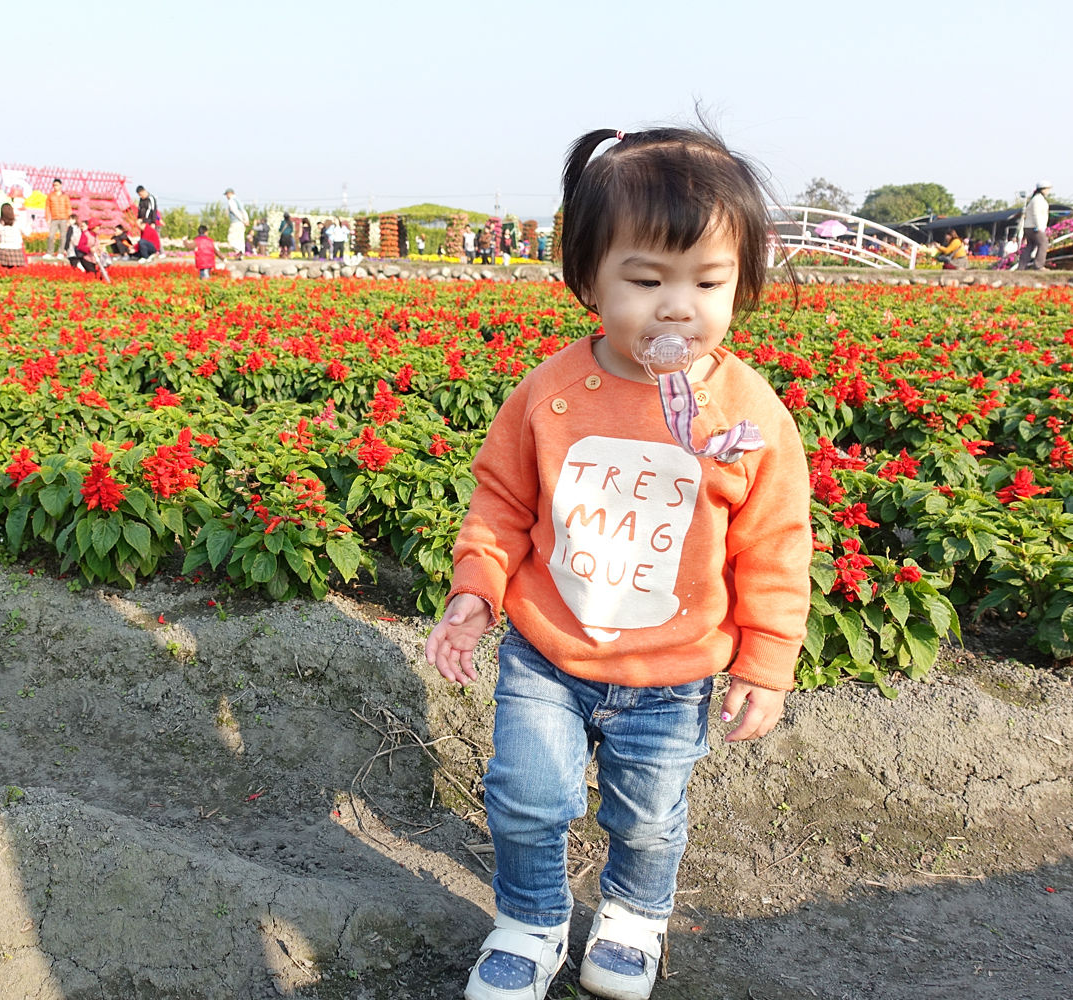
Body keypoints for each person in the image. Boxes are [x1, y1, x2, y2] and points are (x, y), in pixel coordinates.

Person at [425, 124, 809, 1000]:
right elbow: (502, 502)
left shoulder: (748, 412)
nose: (678, 306)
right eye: (646, 280)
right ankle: (530, 920)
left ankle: (634, 915)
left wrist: (766, 659)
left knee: (646, 815)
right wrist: (477, 590)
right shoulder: (551, 393)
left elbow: (776, 542)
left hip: (672, 669)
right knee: (525, 793)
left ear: (741, 282)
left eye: (707, 282)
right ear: (587, 276)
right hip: (548, 650)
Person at [1018, 181, 1052, 271]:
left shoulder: (1037, 199)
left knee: (1030, 246)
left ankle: (1022, 266)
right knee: (1043, 243)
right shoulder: (1038, 200)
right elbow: (1036, 214)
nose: (1048, 191)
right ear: (1043, 189)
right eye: (1047, 189)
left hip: (1030, 226)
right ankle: (1038, 265)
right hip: (1034, 227)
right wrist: (1039, 227)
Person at [0, 203, 29, 268]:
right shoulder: (17, 223)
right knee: (18, 271)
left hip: (3, 250)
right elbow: (27, 233)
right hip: (16, 250)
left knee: (5, 271)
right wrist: (29, 225)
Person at [45, 179, 72, 259]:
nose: (55, 187)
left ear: (60, 185)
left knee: (63, 236)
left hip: (64, 218)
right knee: (51, 236)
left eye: (57, 185)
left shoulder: (65, 196)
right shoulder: (50, 196)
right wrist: (48, 218)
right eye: (54, 185)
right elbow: (47, 207)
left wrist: (69, 219)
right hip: (54, 218)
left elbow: (68, 207)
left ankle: (60, 252)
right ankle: (50, 252)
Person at [224, 188, 248, 259]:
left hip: (236, 222)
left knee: (231, 239)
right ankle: (240, 254)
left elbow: (235, 211)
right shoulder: (238, 201)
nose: (226, 196)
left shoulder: (231, 201)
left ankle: (239, 251)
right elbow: (243, 211)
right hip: (241, 223)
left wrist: (243, 220)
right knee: (240, 239)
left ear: (229, 193)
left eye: (226, 195)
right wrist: (246, 220)